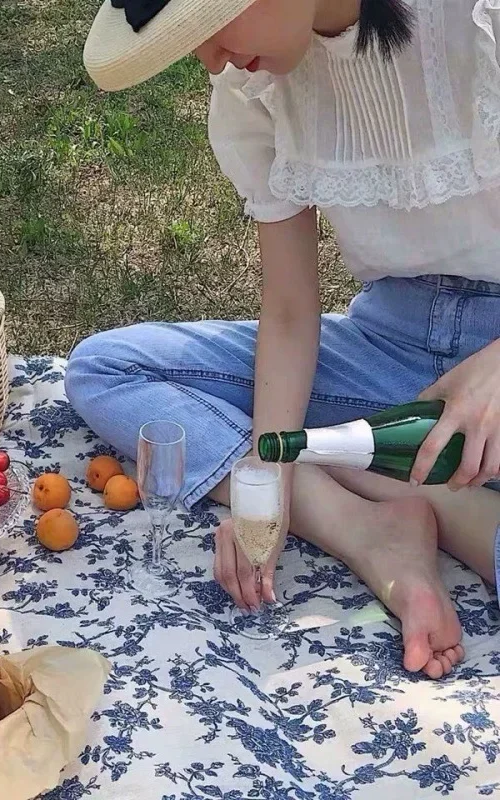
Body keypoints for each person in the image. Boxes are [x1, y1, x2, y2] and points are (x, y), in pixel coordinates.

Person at [66, 0, 500, 680]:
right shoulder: (253, 85)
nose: (208, 58)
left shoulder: (479, 19)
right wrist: (262, 491)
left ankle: (447, 507)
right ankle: (366, 529)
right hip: (389, 352)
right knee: (108, 369)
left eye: (210, 25)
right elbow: (292, 307)